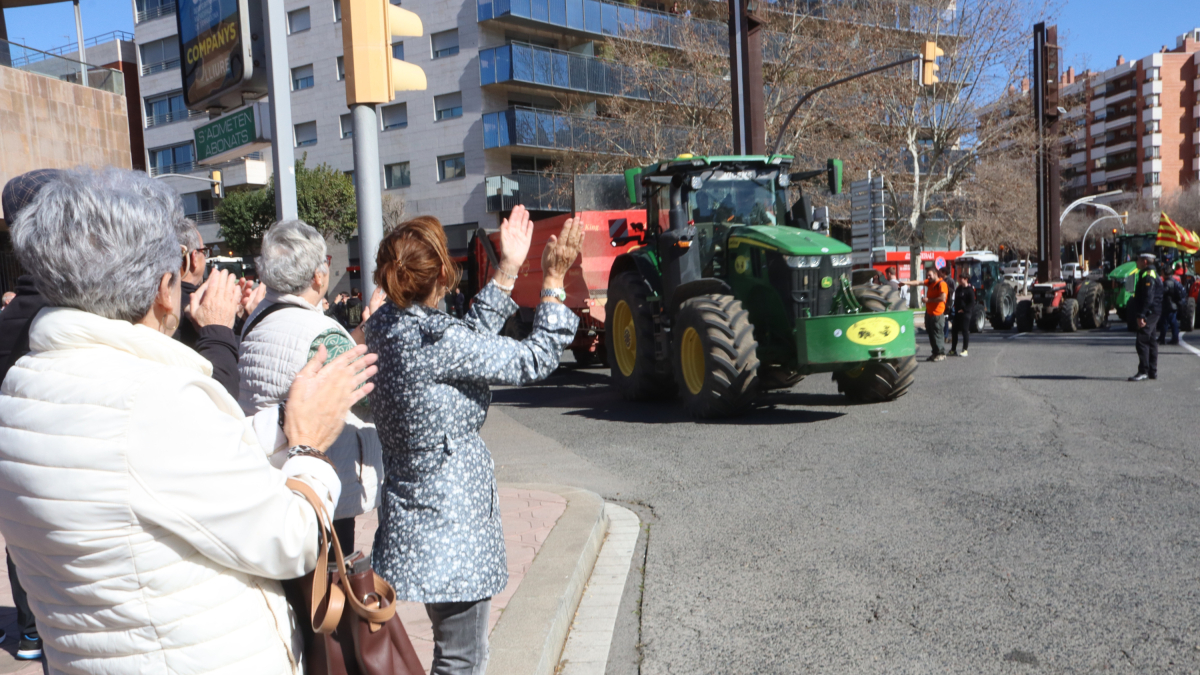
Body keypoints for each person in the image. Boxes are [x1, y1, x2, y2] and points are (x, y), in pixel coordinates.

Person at [0, 167, 378, 675]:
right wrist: (308, 446)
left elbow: (179, 463)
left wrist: (285, 419)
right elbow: (290, 541)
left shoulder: (24, 384)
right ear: (163, 289)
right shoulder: (150, 400)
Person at [364, 204, 583, 675]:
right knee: (463, 660)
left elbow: (463, 343)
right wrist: (552, 281)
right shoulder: (435, 339)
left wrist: (508, 269)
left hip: (416, 516)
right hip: (453, 524)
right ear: (444, 274)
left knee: (455, 653)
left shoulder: (382, 327)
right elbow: (532, 359)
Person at [238, 220, 386, 555]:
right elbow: (368, 398)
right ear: (319, 276)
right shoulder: (319, 332)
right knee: (329, 577)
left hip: (270, 471)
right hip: (319, 478)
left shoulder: (257, 317)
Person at [0, 169, 63, 662]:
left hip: (18, 472)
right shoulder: (80, 310)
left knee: (22, 544)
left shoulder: (12, 317)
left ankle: (28, 633)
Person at [175, 220, 244, 398]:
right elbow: (226, 383)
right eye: (204, 252)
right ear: (193, 258)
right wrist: (228, 326)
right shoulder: (194, 310)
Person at [1128, 252, 1163, 381]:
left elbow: (1148, 297)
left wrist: (1141, 314)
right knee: (1151, 341)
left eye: (1138, 259)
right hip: (1153, 310)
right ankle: (1152, 371)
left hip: (1150, 312)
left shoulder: (1148, 275)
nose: (1136, 262)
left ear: (1145, 262)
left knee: (1142, 340)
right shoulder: (1148, 273)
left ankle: (1144, 371)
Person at [901, 266, 948, 361]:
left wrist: (928, 300)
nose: (928, 277)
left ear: (935, 274)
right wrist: (906, 283)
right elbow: (918, 282)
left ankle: (941, 354)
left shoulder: (941, 284)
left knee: (937, 334)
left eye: (930, 275)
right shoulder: (930, 282)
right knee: (931, 334)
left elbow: (943, 298)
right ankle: (935, 353)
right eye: (927, 275)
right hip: (929, 313)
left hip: (937, 314)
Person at [949, 272, 975, 357]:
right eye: (959, 279)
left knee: (964, 331)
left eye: (961, 279)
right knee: (954, 331)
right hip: (957, 313)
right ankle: (953, 349)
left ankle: (965, 349)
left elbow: (972, 303)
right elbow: (956, 300)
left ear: (966, 279)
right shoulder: (958, 289)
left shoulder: (970, 290)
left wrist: (964, 309)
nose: (960, 280)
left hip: (966, 313)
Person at [1158, 267, 1184, 345]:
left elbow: (1163, 292)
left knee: (1166, 322)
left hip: (1168, 305)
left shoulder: (1167, 283)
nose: (1161, 274)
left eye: (1162, 272)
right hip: (1174, 305)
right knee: (1173, 322)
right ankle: (1173, 338)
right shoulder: (1174, 281)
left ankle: (1163, 338)